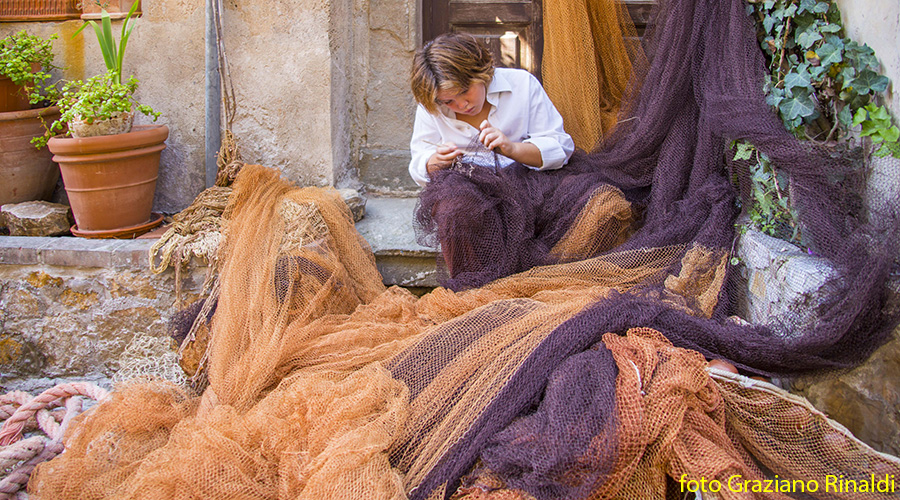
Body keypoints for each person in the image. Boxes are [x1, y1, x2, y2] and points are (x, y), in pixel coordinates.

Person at [408, 32, 575, 187]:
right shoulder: (431, 102)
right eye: (448, 101)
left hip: (530, 183)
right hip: (465, 191)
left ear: (480, 73)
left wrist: (513, 149)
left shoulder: (522, 84)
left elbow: (560, 149)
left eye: (464, 91)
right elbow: (418, 164)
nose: (461, 105)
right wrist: (436, 161)